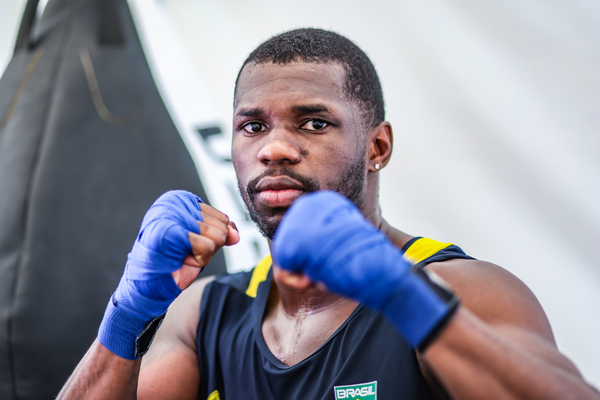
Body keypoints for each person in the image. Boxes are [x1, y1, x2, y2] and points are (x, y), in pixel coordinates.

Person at [57, 28, 599, 400]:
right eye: (253, 126)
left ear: (378, 147)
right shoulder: (208, 312)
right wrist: (126, 318)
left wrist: (404, 298)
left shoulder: (464, 290)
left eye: (313, 123)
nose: (275, 149)